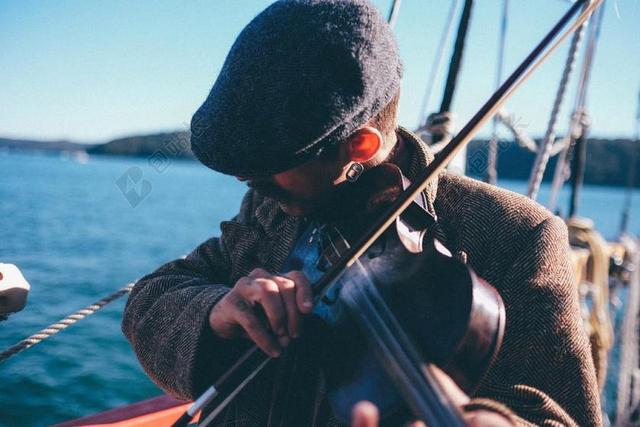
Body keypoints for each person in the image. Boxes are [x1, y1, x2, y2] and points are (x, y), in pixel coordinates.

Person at [121, 1, 601, 425]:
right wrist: (215, 313)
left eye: (273, 168)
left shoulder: (516, 236)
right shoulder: (273, 209)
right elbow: (150, 298)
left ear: (361, 145)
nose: (251, 185)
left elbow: (557, 415)